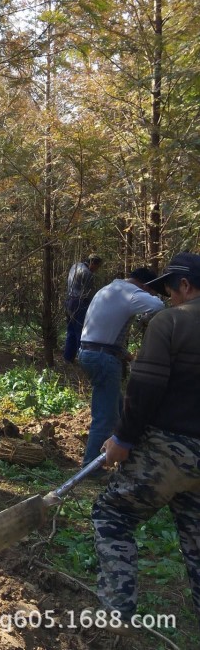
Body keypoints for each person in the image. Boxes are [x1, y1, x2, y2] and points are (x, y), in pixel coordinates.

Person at [92, 252, 200, 631]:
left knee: (113, 515)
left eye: (171, 290)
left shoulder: (171, 321)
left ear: (184, 286)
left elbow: (145, 387)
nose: (169, 298)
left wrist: (123, 437)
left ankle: (114, 619)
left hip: (170, 449)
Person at [78, 267, 165, 467]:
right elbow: (158, 306)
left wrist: (126, 355)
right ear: (145, 286)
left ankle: (125, 456)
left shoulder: (111, 289)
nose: (150, 295)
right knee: (106, 417)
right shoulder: (130, 292)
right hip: (102, 358)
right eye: (151, 290)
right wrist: (146, 317)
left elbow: (103, 330)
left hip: (91, 353)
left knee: (118, 408)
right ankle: (91, 466)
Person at [63, 254, 103, 362]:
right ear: (92, 263)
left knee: (71, 330)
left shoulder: (75, 266)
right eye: (97, 266)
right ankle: (82, 359)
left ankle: (68, 357)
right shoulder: (87, 274)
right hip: (80, 303)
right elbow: (89, 293)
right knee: (80, 332)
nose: (97, 270)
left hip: (69, 301)